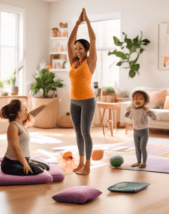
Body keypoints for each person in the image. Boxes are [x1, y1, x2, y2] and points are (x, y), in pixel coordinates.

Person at [67, 8, 97, 175]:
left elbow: (92, 38)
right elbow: (69, 42)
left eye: (80, 48)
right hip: (73, 101)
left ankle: (88, 165)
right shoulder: (73, 62)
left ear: (86, 50)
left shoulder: (90, 61)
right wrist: (77, 23)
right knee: (78, 132)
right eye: (76, 48)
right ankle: (80, 163)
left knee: (86, 131)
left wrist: (87, 21)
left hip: (87, 101)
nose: (77, 51)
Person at [0, 100, 49, 176]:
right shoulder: (13, 126)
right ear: (19, 114)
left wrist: (43, 106)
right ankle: (28, 163)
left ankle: (29, 163)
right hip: (10, 164)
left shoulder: (21, 125)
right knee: (37, 169)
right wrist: (25, 164)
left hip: (21, 161)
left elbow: (31, 115)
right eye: (25, 109)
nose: (27, 111)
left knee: (46, 166)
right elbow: (16, 148)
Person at [125, 90, 157, 168]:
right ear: (133, 101)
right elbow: (126, 115)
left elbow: (154, 117)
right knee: (137, 147)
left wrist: (147, 110)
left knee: (142, 147)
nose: (137, 101)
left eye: (140, 99)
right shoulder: (133, 110)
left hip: (144, 132)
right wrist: (128, 109)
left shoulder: (144, 110)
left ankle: (144, 162)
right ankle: (138, 162)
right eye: (135, 99)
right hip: (135, 132)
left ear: (145, 101)